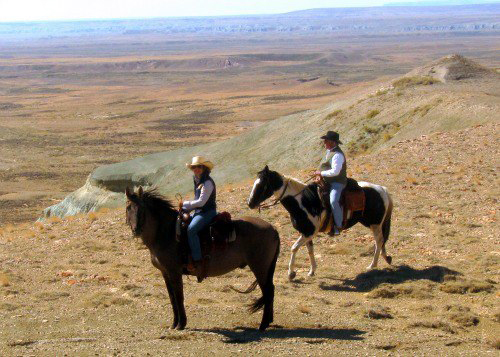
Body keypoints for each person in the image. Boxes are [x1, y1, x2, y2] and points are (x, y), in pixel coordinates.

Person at [180, 156, 217, 281]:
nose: (196, 169)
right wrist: (186, 209)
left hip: (207, 212)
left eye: (199, 166)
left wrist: (186, 204)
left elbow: (201, 202)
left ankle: (197, 260)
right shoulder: (198, 180)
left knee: (191, 230)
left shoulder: (207, 182)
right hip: (199, 212)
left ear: (204, 168)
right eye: (194, 167)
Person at [314, 131, 347, 235]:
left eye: (326, 140)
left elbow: (335, 171)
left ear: (332, 142)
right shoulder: (329, 152)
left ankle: (338, 225)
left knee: (333, 201)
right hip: (326, 181)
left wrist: (321, 173)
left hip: (337, 183)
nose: (324, 142)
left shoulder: (337, 155)